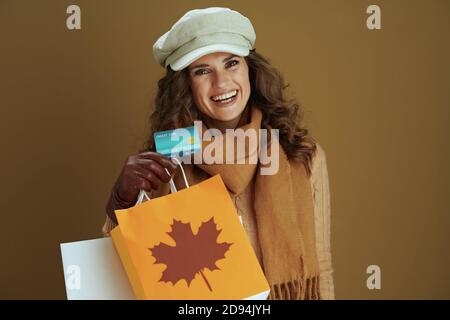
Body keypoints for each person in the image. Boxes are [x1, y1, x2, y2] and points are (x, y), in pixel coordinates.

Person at [102, 7, 334, 300]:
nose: (221, 83)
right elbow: (124, 268)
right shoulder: (167, 163)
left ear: (251, 69)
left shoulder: (302, 155)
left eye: (231, 63)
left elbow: (321, 266)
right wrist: (119, 203)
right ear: (185, 85)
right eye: (202, 71)